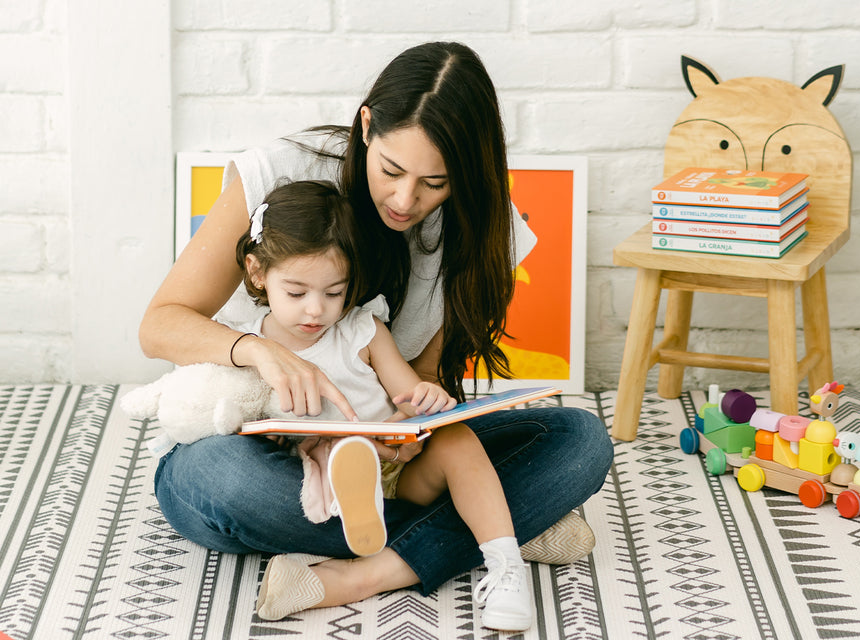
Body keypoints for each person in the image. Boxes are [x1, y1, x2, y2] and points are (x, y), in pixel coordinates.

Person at [139, 41, 612, 620]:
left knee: (581, 443)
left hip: (381, 461)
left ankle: (369, 573)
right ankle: (495, 526)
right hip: (263, 455)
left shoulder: (486, 228)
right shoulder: (280, 173)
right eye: (390, 170)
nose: (404, 199)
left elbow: (422, 380)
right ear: (366, 126)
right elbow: (160, 325)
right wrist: (258, 351)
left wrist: (407, 424)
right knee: (221, 480)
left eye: (435, 183)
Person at [228, 179, 534, 629]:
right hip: (317, 477)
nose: (316, 310)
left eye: (334, 293)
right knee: (236, 472)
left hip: (395, 467)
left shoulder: (363, 330)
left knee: (459, 440)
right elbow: (238, 418)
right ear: (257, 273)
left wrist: (426, 401)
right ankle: (515, 524)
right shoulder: (249, 343)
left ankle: (507, 564)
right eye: (297, 293)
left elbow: (409, 395)